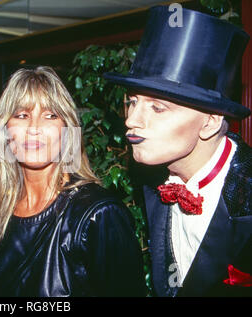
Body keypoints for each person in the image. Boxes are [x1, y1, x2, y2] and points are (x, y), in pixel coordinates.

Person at [104, 6, 252, 296]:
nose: (131, 120)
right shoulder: (153, 183)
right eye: (132, 102)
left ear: (209, 122)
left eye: (158, 108)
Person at [0, 66, 145, 296]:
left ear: (67, 130)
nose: (34, 129)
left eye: (50, 115)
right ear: (5, 129)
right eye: (22, 115)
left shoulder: (98, 215)